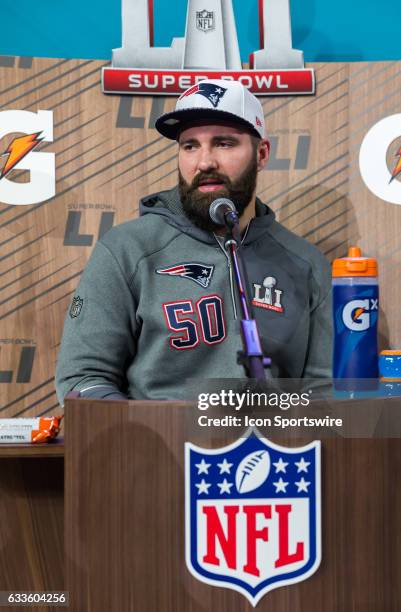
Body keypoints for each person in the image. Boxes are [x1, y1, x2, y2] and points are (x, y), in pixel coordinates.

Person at [55, 79, 332, 405]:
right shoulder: (128, 251)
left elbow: (325, 390)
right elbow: (83, 378)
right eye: (190, 146)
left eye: (224, 143)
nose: (204, 162)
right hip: (157, 448)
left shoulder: (305, 263)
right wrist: (139, 435)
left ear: (261, 153)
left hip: (272, 451)